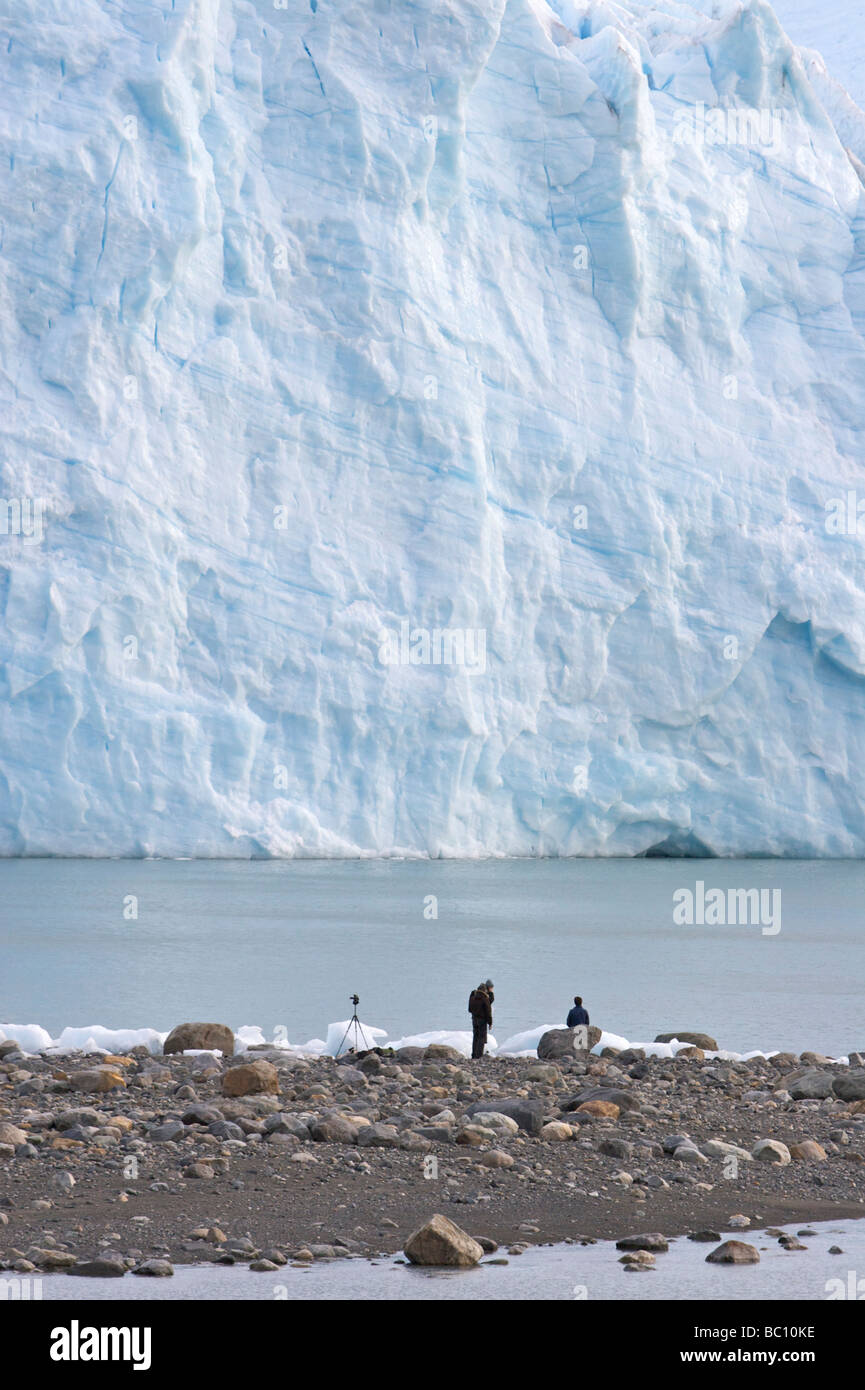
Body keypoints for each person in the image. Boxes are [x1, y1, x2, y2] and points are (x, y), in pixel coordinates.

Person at [469, 981, 493, 1059]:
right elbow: (488, 1011)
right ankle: (479, 1056)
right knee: (481, 1038)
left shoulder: (473, 996)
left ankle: (474, 1055)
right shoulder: (484, 998)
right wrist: (490, 1023)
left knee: (475, 1037)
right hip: (482, 1020)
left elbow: (469, 1009)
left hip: (474, 1019)